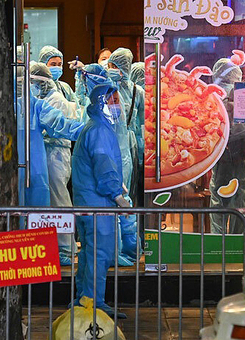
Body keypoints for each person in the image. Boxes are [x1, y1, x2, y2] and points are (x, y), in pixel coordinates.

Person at [72, 84, 130, 319]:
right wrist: (117, 195)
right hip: (98, 203)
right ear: (101, 104)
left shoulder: (96, 127)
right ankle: (93, 304)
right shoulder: (100, 131)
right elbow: (104, 166)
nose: (118, 105)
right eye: (113, 101)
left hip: (88, 202)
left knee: (88, 252)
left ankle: (84, 300)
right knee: (99, 253)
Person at [31, 62, 82, 265]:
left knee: (59, 200)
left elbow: (56, 127)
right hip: (50, 154)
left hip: (57, 154)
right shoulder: (43, 99)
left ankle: (66, 248)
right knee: (53, 201)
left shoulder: (55, 99)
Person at [209, 58, 245, 234]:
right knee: (244, 198)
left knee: (219, 197)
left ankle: (216, 243)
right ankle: (239, 243)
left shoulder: (212, 95)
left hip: (221, 154)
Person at [19, 71, 84, 207]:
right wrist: (88, 131)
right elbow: (63, 126)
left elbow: (62, 124)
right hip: (35, 169)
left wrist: (86, 131)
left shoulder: (34, 106)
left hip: (34, 170)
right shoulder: (33, 105)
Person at [107, 48, 144, 262]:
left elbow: (143, 122)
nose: (111, 70)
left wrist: (141, 146)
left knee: (124, 193)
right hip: (119, 144)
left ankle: (127, 246)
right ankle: (123, 246)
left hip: (127, 146)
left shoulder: (136, 91)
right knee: (119, 194)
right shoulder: (110, 89)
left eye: (114, 66)